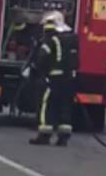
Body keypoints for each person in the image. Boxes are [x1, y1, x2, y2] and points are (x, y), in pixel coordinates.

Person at [27, 11, 78, 147]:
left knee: (47, 105)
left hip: (53, 79)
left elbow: (42, 57)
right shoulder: (72, 38)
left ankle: (44, 134)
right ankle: (64, 137)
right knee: (65, 106)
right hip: (69, 79)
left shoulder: (50, 39)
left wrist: (35, 67)